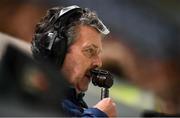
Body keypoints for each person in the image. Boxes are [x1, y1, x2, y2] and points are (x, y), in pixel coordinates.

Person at [31, 5, 117, 117]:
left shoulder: (78, 108)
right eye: (90, 50)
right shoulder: (32, 98)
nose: (98, 63)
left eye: (98, 54)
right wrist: (98, 115)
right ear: (58, 51)